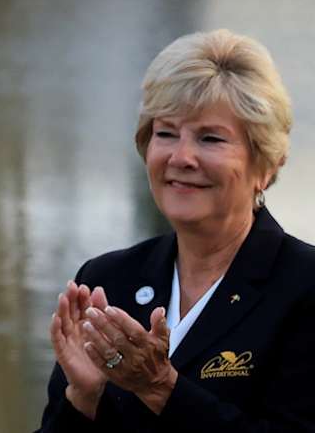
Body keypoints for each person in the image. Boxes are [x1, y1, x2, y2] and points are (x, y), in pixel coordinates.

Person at [38, 29, 315, 431]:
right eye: (165, 133)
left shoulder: (303, 288)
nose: (181, 157)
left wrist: (161, 388)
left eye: (210, 138)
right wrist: (82, 399)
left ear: (265, 164)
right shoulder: (106, 280)